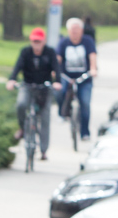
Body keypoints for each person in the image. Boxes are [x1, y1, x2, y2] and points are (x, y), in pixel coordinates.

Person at [5, 27, 63, 161]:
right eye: (34, 41)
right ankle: (22, 129)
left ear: (44, 41)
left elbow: (56, 68)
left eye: (39, 41)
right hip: (27, 85)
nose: (36, 44)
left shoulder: (50, 52)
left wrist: (57, 82)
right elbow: (17, 67)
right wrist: (12, 80)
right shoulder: (25, 52)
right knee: (21, 104)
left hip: (44, 87)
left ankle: (43, 150)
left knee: (45, 117)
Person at [58, 17, 99, 143]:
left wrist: (93, 69)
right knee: (60, 92)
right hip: (67, 76)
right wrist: (55, 71)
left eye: (77, 29)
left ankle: (85, 132)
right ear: (68, 30)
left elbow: (92, 56)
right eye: (72, 29)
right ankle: (63, 113)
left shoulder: (88, 41)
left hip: (84, 78)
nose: (75, 31)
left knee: (85, 103)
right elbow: (58, 58)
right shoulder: (63, 42)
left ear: (81, 30)